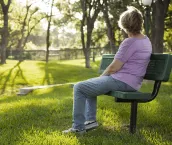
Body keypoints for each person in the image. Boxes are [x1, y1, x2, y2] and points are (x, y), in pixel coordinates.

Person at [63, 6, 152, 134]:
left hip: (123, 81)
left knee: (79, 87)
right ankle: (90, 121)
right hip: (132, 82)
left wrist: (101, 78)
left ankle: (78, 128)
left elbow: (114, 67)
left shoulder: (130, 42)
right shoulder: (145, 40)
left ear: (125, 25)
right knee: (88, 85)